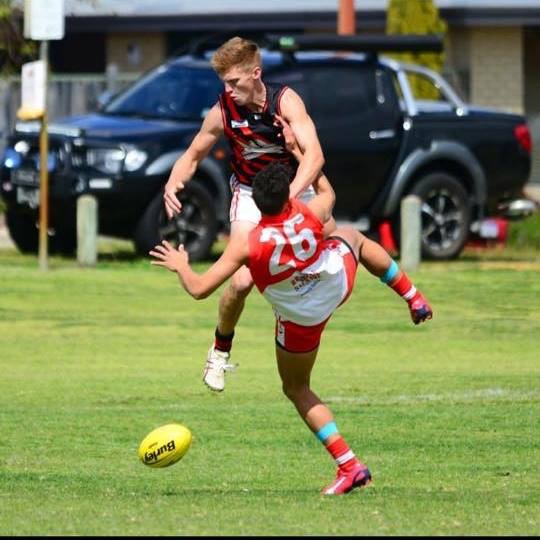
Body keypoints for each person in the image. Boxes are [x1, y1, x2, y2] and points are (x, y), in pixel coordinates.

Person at [150, 161, 433, 495]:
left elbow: (199, 289)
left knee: (297, 388)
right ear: (288, 196)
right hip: (335, 284)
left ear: (256, 207)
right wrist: (304, 158)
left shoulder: (248, 244)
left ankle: (350, 466)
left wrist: (182, 266)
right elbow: (328, 192)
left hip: (302, 318)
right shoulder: (309, 212)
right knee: (353, 238)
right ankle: (413, 297)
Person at [162, 36, 333, 393]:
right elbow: (193, 154)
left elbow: (315, 157)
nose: (227, 90)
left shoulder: (285, 101)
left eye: (233, 82)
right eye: (223, 82)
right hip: (250, 194)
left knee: (332, 232)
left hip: (292, 188)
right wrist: (173, 183)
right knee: (241, 282)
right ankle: (219, 351)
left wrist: (287, 198)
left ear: (255, 74)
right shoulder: (223, 111)